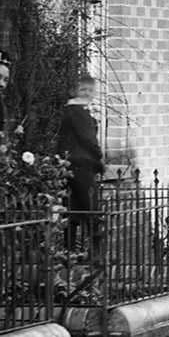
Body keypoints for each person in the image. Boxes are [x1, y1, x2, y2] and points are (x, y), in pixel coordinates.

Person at [59, 76, 104, 252]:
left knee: (73, 209)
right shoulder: (78, 112)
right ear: (75, 91)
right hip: (82, 165)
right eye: (84, 89)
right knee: (90, 208)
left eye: (91, 90)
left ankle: (69, 250)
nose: (88, 94)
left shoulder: (72, 111)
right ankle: (96, 252)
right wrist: (99, 158)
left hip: (71, 165)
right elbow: (88, 139)